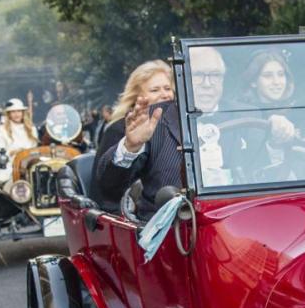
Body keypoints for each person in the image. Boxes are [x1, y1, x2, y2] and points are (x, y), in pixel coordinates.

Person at [98, 46, 292, 217]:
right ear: (180, 79)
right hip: (172, 234)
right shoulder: (152, 119)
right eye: (198, 75)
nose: (208, 83)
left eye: (215, 75)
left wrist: (275, 143)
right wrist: (130, 147)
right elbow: (109, 188)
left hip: (238, 227)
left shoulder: (247, 115)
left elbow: (266, 177)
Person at [91, 60, 175, 209]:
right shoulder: (118, 129)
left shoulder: (181, 126)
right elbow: (108, 189)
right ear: (137, 97)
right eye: (155, 90)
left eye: (168, 88)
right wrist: (131, 146)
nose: (164, 95)